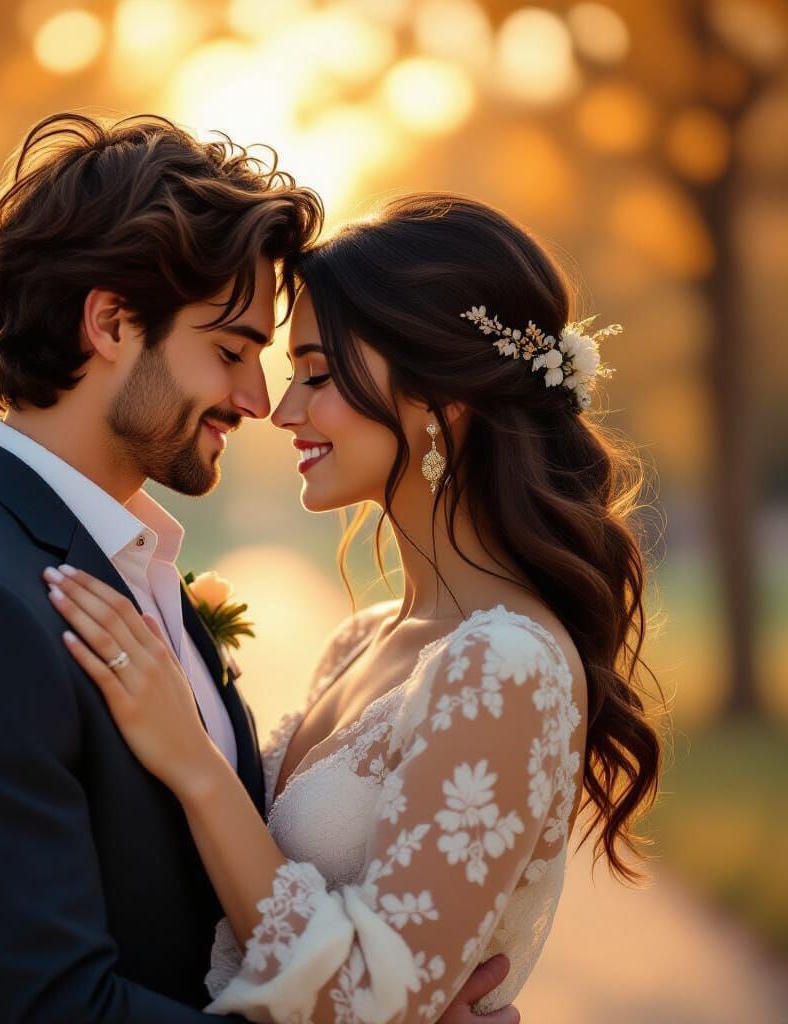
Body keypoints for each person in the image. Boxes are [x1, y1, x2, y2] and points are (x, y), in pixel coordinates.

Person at [0, 114, 516, 1023]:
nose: (256, 399)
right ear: (112, 322)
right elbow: (49, 1009)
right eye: (231, 351)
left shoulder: (128, 569)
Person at [44, 194, 665, 1022]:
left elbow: (373, 1000)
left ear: (442, 398)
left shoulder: (507, 667)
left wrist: (194, 763)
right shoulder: (360, 641)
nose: (284, 409)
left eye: (319, 374)